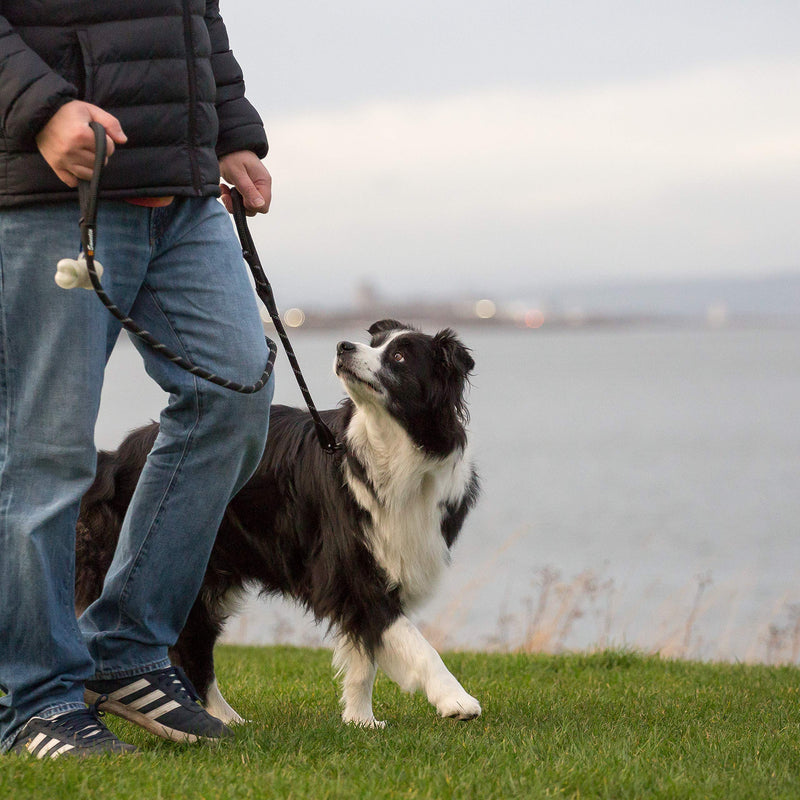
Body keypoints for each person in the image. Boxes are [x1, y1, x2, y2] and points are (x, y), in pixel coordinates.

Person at [0, 2, 275, 758]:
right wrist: (43, 109)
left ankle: (124, 646)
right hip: (50, 191)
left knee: (233, 397)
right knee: (43, 453)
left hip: (181, 193)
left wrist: (227, 131)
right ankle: (39, 700)